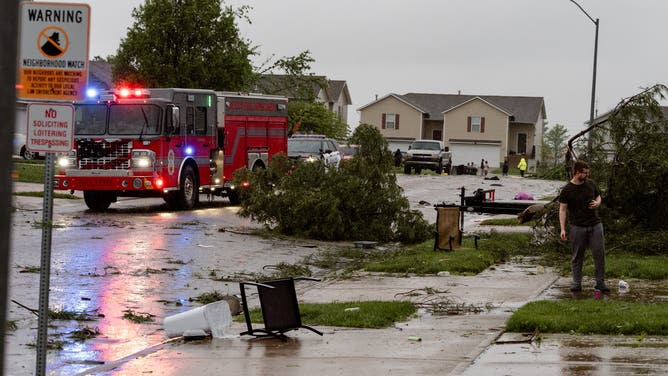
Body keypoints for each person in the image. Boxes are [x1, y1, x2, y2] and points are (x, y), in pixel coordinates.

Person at [558, 160, 608, 293]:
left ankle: (600, 282)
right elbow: (562, 209)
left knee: (599, 254)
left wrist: (597, 203)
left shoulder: (591, 184)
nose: (587, 175)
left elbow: (598, 196)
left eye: (587, 172)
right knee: (577, 256)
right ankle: (576, 283)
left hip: (595, 224)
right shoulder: (567, 189)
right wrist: (562, 228)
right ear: (576, 172)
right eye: (584, 173)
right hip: (577, 227)